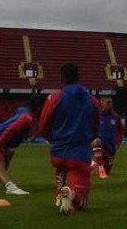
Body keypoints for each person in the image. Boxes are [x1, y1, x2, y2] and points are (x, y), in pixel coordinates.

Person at [38, 63, 101, 214]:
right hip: (80, 154)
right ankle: (72, 196)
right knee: (82, 203)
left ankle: (61, 197)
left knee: (61, 168)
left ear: (62, 78)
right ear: (79, 77)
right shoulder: (92, 101)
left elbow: (43, 125)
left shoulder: (54, 98)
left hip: (58, 151)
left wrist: (53, 140)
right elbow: (96, 127)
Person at [0, 95, 43, 195]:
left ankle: (1, 181)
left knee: (8, 155)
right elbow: (9, 131)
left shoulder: (27, 114)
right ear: (38, 107)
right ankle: (10, 187)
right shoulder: (27, 117)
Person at [92, 95, 124, 179]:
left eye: (111, 102)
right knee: (97, 144)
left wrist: (118, 142)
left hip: (111, 147)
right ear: (101, 102)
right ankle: (95, 165)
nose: (110, 104)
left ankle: (92, 165)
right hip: (99, 145)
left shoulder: (116, 117)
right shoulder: (96, 115)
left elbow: (120, 130)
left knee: (107, 171)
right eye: (108, 102)